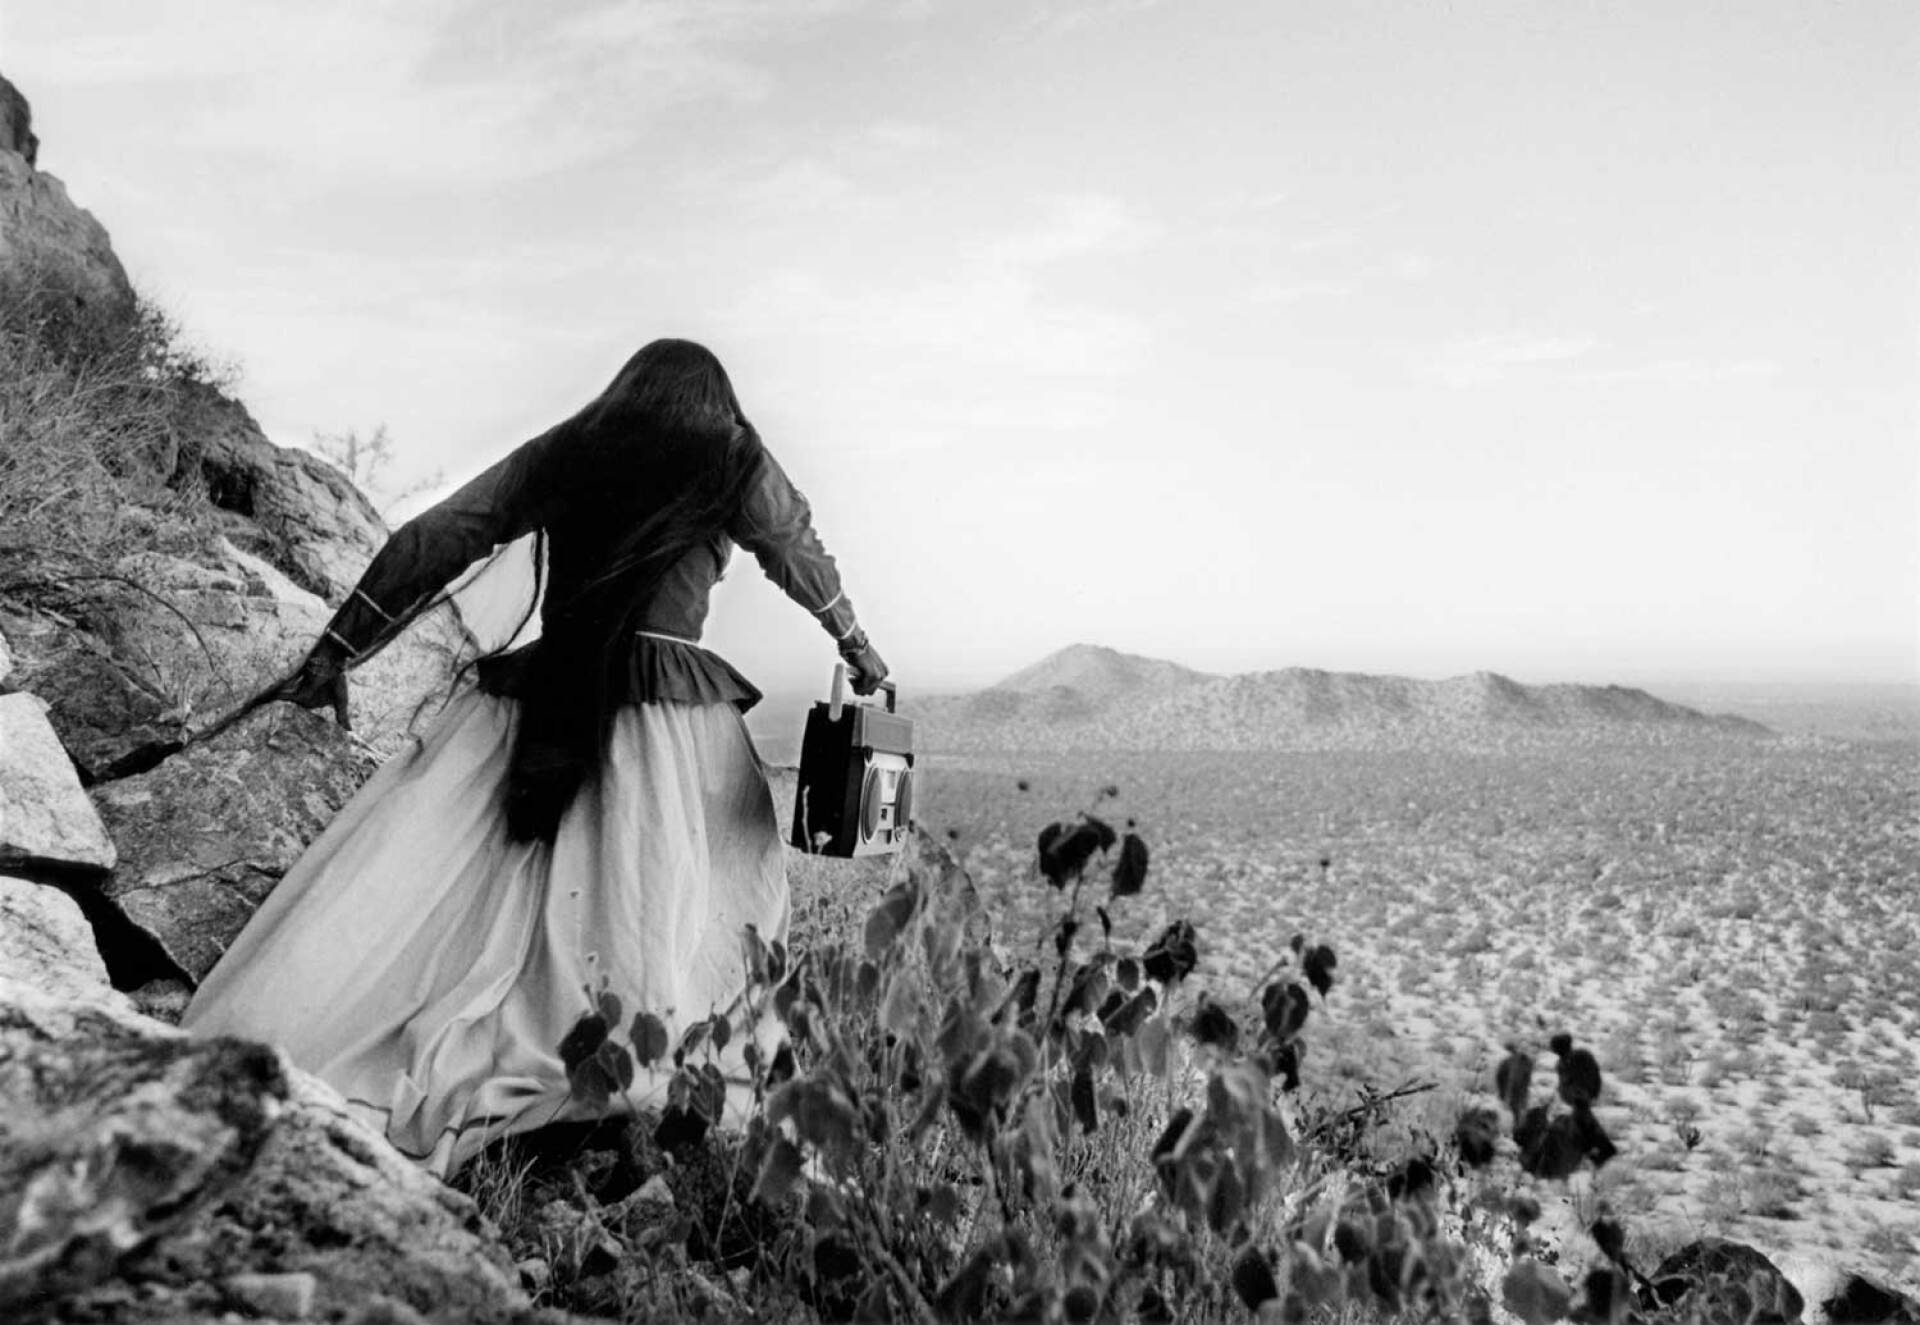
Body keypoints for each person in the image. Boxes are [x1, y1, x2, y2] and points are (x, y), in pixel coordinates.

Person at [180, 338, 886, 1179]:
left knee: (471, 887)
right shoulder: (730, 453)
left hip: (544, 694)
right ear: (716, 402)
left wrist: (340, 646)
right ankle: (638, 1057)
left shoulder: (575, 445)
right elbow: (795, 549)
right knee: (693, 884)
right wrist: (859, 646)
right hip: (665, 715)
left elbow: (442, 534)